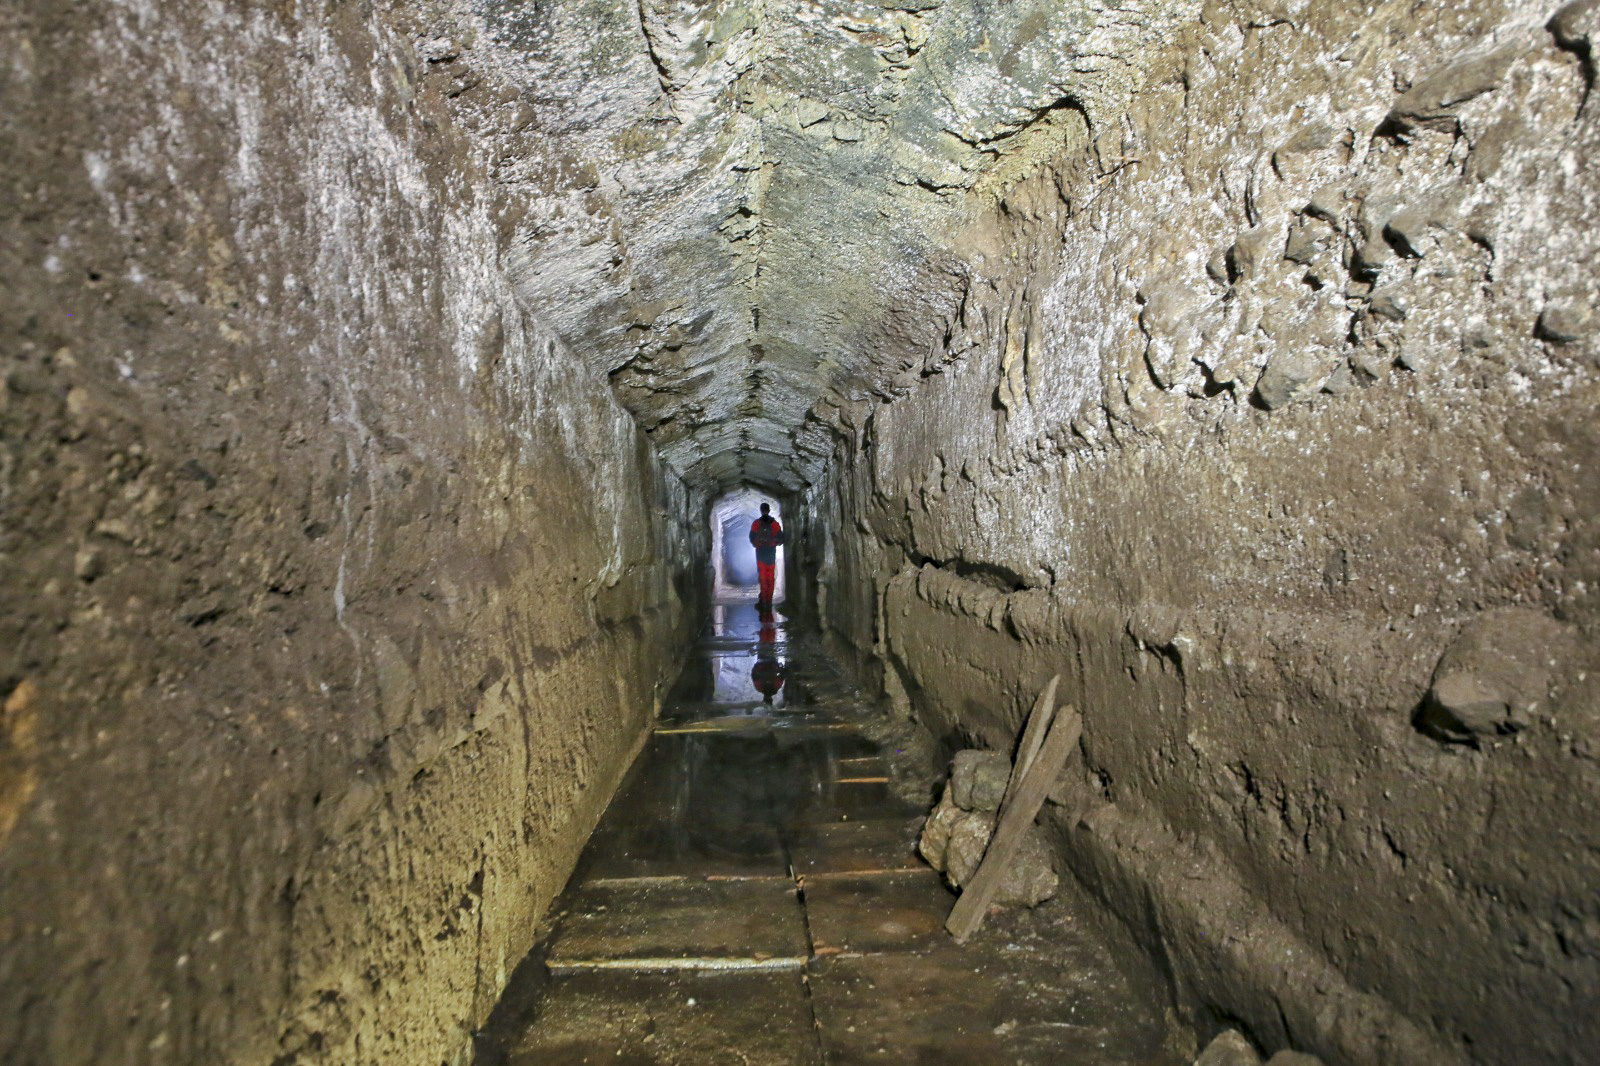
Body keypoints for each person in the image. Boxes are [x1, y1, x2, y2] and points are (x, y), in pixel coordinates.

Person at [748, 503, 785, 606]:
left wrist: (759, 544)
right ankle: (768, 601)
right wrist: (773, 543)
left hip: (760, 554)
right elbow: (781, 539)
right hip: (771, 554)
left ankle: (764, 600)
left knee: (763, 578)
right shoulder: (775, 524)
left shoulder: (756, 523)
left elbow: (752, 538)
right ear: (769, 510)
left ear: (761, 510)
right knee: (770, 578)